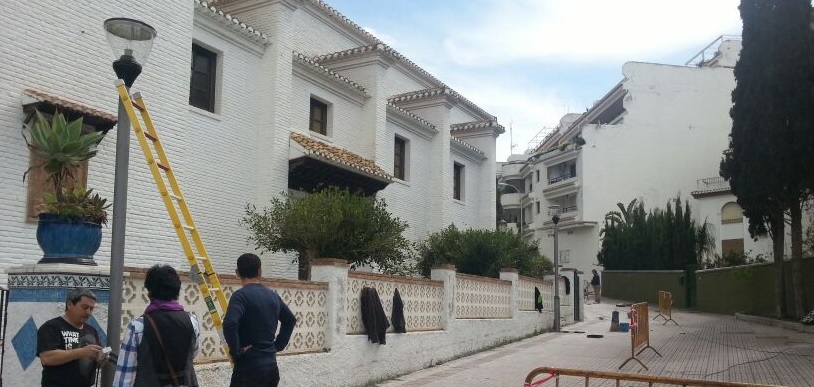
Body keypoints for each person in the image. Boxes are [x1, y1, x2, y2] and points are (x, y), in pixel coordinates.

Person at [113, 264, 200, 387]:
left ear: (150, 293)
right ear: (177, 291)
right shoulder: (192, 321)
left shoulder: (138, 327)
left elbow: (125, 374)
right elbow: (193, 353)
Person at [224, 253, 297, 387]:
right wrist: (278, 345)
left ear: (237, 273)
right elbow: (290, 320)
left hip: (248, 368)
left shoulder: (240, 296)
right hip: (271, 367)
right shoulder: (273, 295)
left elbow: (230, 323)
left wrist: (237, 353)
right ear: (260, 271)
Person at [37, 288, 108, 387]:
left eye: (91, 309)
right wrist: (82, 352)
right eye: (84, 307)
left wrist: (100, 359)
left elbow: (92, 363)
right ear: (69, 304)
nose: (88, 312)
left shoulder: (92, 330)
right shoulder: (51, 327)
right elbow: (47, 358)